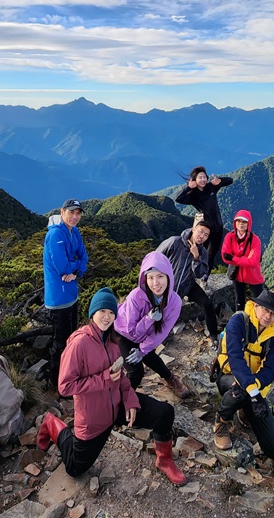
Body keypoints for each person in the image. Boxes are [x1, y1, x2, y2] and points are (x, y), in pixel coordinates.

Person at [36, 288, 187, 485]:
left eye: (111, 313)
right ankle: (52, 424)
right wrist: (104, 379)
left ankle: (165, 461)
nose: (107, 317)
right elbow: (65, 387)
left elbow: (121, 377)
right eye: (102, 312)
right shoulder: (79, 344)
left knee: (165, 412)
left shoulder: (113, 340)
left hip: (117, 406)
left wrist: (130, 400)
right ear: (92, 314)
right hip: (94, 419)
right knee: (75, 468)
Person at [212, 289, 274, 462]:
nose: (268, 316)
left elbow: (270, 370)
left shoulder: (273, 338)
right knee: (240, 392)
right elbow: (235, 358)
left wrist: (255, 388)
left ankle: (245, 410)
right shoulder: (238, 322)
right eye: (266, 310)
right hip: (228, 378)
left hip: (253, 388)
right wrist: (253, 392)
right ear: (256, 305)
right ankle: (221, 421)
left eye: (273, 314)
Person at [115, 251, 190, 398]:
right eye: (150, 278)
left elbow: (161, 332)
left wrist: (142, 351)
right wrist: (149, 319)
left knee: (149, 354)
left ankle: (169, 378)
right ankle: (121, 401)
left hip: (144, 333)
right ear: (145, 279)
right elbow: (132, 332)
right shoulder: (135, 297)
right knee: (136, 372)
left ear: (168, 276)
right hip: (122, 332)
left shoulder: (174, 302)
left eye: (160, 276)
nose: (155, 283)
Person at [43, 198, 88, 387]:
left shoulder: (75, 232)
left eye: (78, 213)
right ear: (62, 212)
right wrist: (74, 266)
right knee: (60, 342)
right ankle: (57, 382)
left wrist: (76, 270)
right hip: (58, 298)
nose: (75, 217)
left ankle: (70, 374)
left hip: (72, 293)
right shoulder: (55, 235)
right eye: (71, 212)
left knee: (72, 339)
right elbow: (62, 267)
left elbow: (84, 257)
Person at [158, 217, 220, 347]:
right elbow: (156, 257)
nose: (202, 236)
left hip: (188, 284)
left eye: (206, 235)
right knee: (162, 310)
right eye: (200, 231)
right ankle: (160, 335)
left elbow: (200, 273)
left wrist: (196, 257)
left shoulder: (202, 252)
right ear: (193, 229)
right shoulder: (174, 242)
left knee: (207, 304)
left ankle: (214, 336)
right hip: (168, 286)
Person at [175, 166, 233, 275]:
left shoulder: (211, 188)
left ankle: (205, 276)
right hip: (205, 230)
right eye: (199, 178)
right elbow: (178, 198)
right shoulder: (193, 195)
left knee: (211, 255)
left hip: (218, 228)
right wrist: (188, 187)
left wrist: (220, 180)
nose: (203, 180)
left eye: (204, 177)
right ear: (194, 180)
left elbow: (230, 180)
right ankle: (193, 274)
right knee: (201, 252)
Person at [221, 209, 266, 312]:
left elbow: (253, 262)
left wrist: (233, 258)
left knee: (258, 303)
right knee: (239, 301)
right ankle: (239, 323)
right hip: (237, 275)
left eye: (244, 221)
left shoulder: (254, 240)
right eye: (238, 221)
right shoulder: (230, 237)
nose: (241, 224)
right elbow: (225, 257)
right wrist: (246, 259)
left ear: (248, 223)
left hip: (253, 276)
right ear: (235, 222)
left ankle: (256, 325)